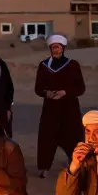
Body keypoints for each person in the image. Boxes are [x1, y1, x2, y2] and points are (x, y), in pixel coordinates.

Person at [35, 34, 85, 178]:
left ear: (63, 48)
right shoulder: (44, 66)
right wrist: (47, 93)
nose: (55, 50)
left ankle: (76, 164)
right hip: (50, 108)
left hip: (69, 108)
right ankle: (44, 167)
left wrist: (66, 92)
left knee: (73, 136)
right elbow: (38, 88)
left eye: (58, 47)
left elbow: (80, 88)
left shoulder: (73, 65)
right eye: (53, 47)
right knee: (47, 137)